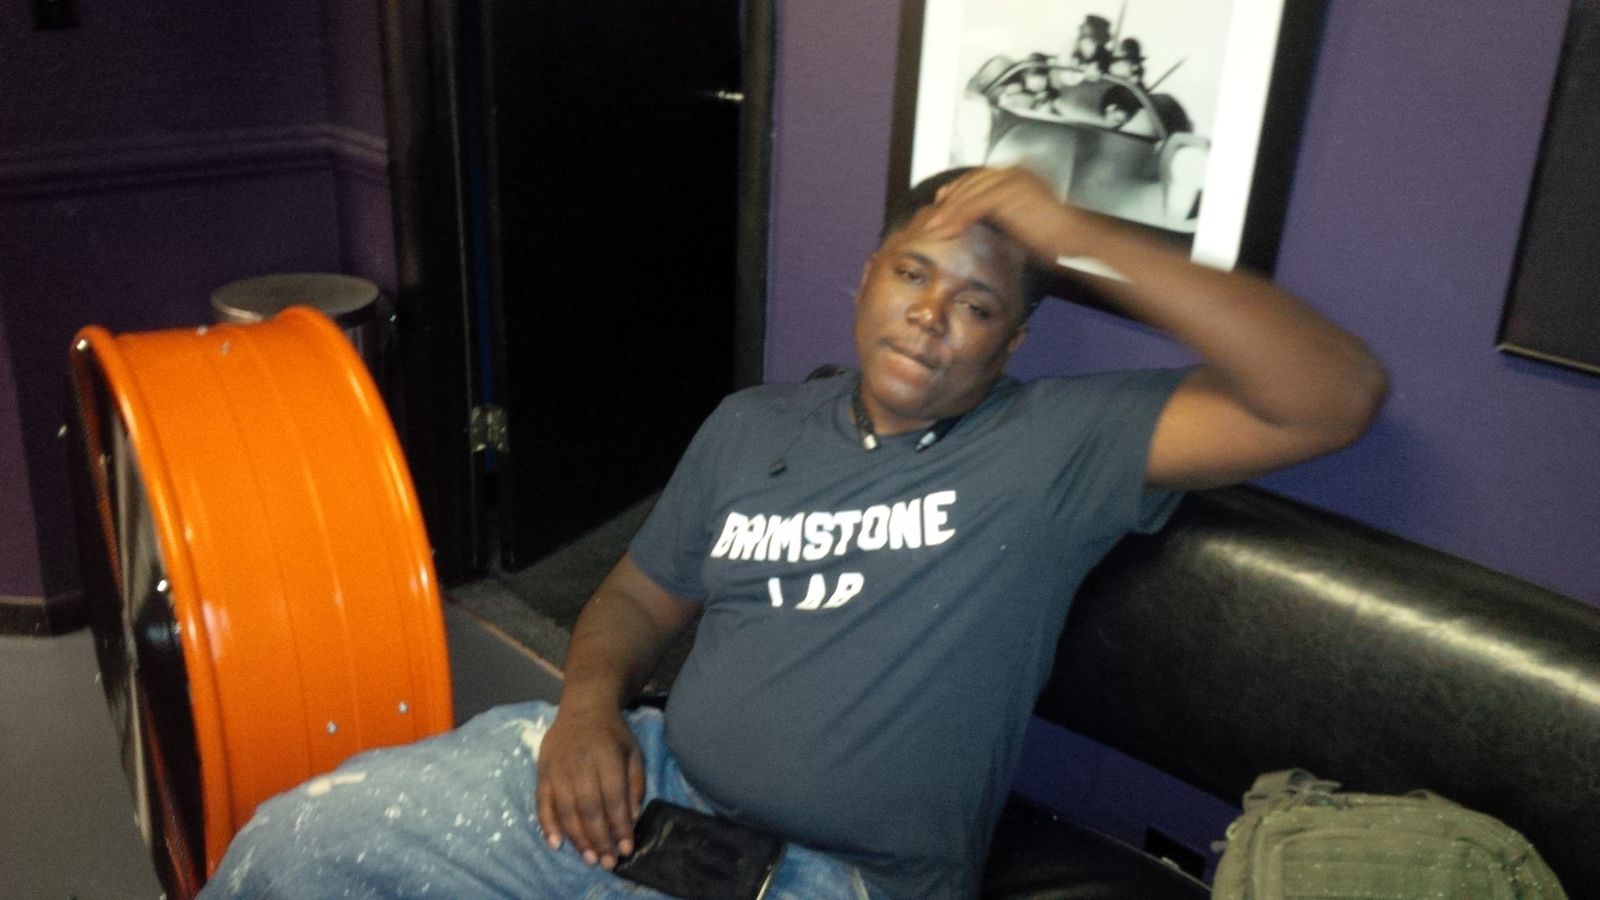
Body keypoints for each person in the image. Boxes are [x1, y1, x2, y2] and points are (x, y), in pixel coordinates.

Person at [203, 166, 1387, 899]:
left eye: (977, 303)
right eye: (913, 274)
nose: (932, 314)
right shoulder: (749, 425)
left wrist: (1080, 230)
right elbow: (634, 598)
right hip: (651, 780)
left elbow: (1332, 397)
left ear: (1010, 343)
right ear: (867, 278)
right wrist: (585, 710)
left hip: (837, 879)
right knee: (299, 844)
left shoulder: (1059, 445)